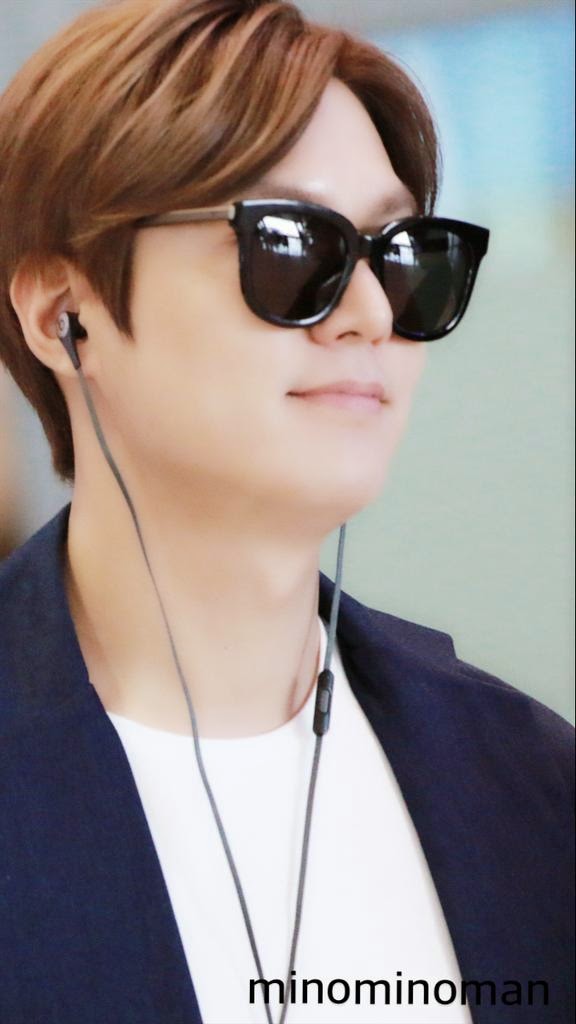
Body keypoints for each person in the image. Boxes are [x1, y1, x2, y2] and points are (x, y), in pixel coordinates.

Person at [0, 1, 573, 1023]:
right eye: (291, 244)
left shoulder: (530, 783)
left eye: (405, 254)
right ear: (63, 312)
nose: (372, 314)